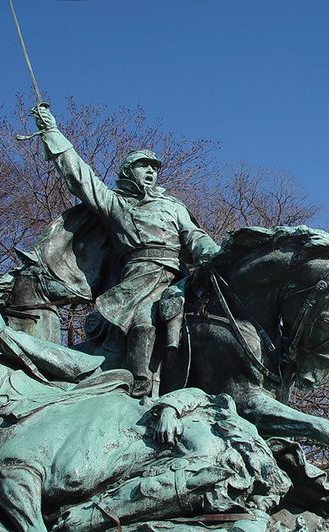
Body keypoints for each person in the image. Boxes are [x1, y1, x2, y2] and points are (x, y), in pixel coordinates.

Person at [32, 106, 220, 397]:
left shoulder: (173, 206)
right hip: (137, 279)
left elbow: (194, 235)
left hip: (177, 278)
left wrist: (211, 252)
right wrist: (52, 133)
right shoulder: (115, 204)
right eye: (144, 166)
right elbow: (81, 178)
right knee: (144, 322)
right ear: (127, 171)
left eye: (154, 169)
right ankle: (140, 384)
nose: (151, 172)